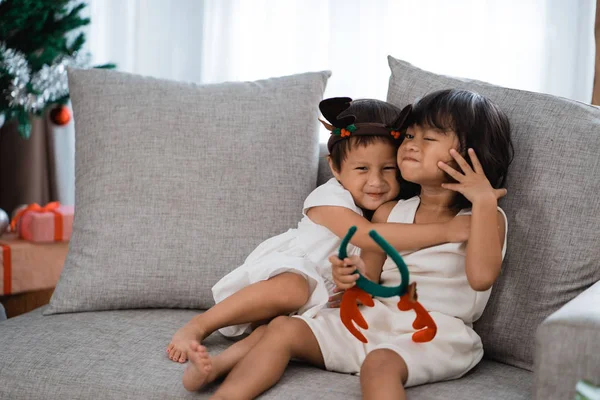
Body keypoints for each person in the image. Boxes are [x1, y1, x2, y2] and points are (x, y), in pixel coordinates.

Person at [184, 89, 513, 400]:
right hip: (375, 318)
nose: (412, 145)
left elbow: (481, 278)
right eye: (410, 136)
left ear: (474, 154)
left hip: (437, 330)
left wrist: (483, 201)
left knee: (380, 364)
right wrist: (348, 278)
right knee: (283, 327)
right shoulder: (388, 211)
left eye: (428, 139)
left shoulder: (484, 216)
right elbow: (368, 277)